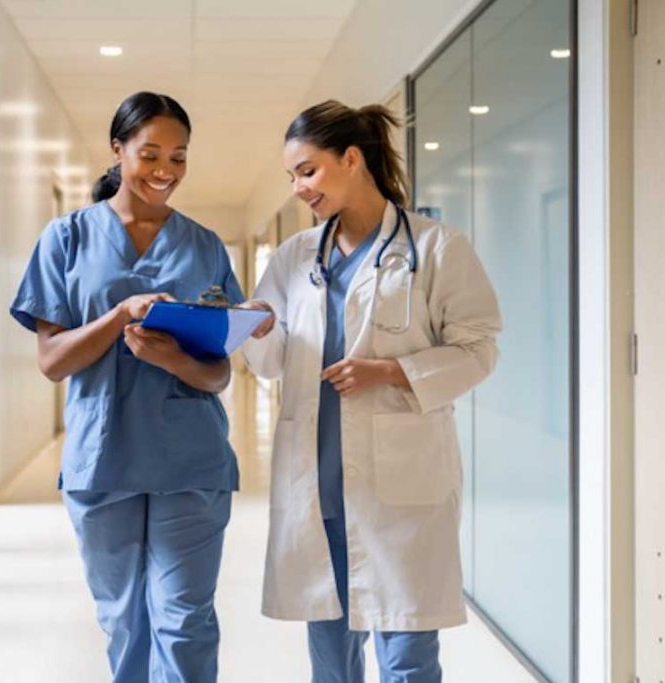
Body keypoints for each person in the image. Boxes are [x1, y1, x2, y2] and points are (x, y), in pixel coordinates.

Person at [241, 100, 502, 682]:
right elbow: (272, 359)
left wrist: (389, 371)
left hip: (400, 487)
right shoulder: (293, 257)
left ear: (351, 158)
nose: (298, 188)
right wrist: (259, 328)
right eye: (291, 176)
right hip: (317, 484)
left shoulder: (437, 248)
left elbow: (479, 350)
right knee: (331, 658)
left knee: (407, 655)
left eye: (307, 171)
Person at [10, 91, 244, 683]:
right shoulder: (66, 239)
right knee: (124, 622)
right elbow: (52, 361)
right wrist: (118, 317)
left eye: (179, 157)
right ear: (117, 151)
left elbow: (218, 372)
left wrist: (173, 359)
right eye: (150, 154)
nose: (166, 171)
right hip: (103, 457)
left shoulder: (205, 245)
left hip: (190, 458)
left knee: (185, 620)